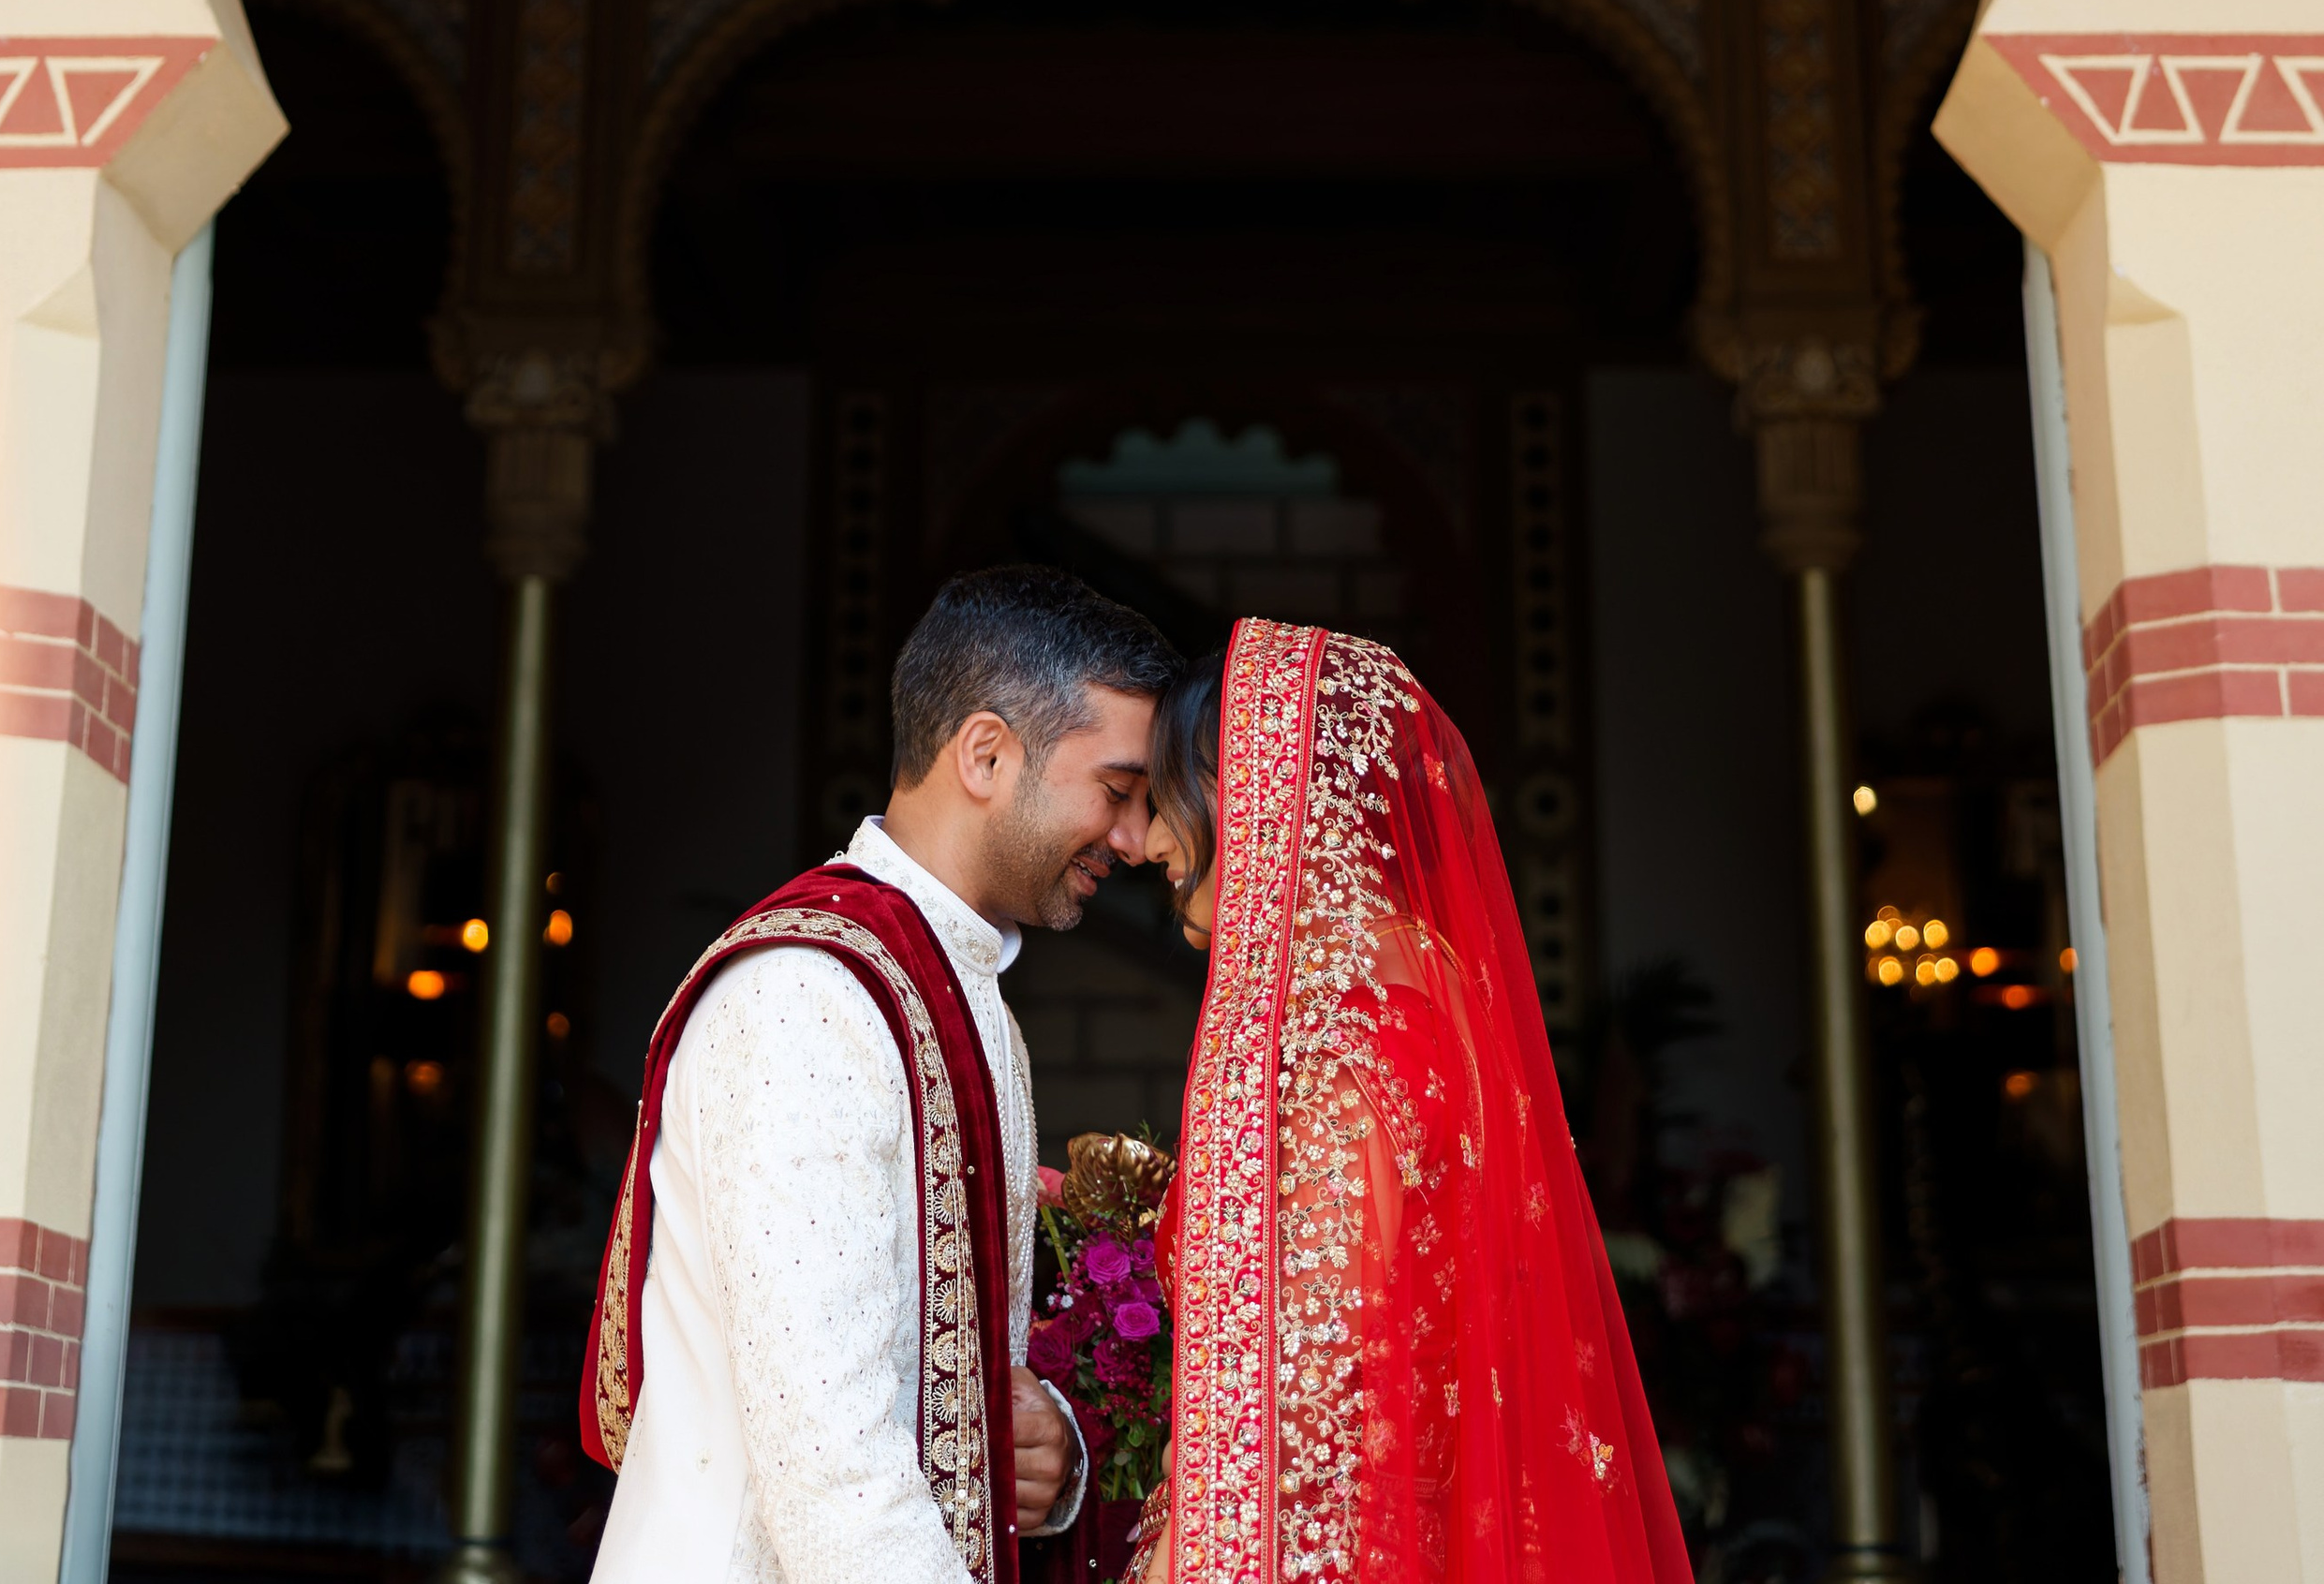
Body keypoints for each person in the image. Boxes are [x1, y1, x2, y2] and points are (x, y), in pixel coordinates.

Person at [583, 565, 1180, 1584]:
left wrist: (1052, 1454)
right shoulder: (806, 994)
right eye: (1117, 791)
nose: (1132, 838)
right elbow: (835, 1472)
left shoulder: (961, 990)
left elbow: (950, 1390)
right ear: (985, 754)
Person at [1132, 619, 1695, 1584]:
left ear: (1261, 793)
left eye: (1167, 800)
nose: (1147, 842)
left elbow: (1298, 1403)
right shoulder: (1423, 991)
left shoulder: (1346, 1047)